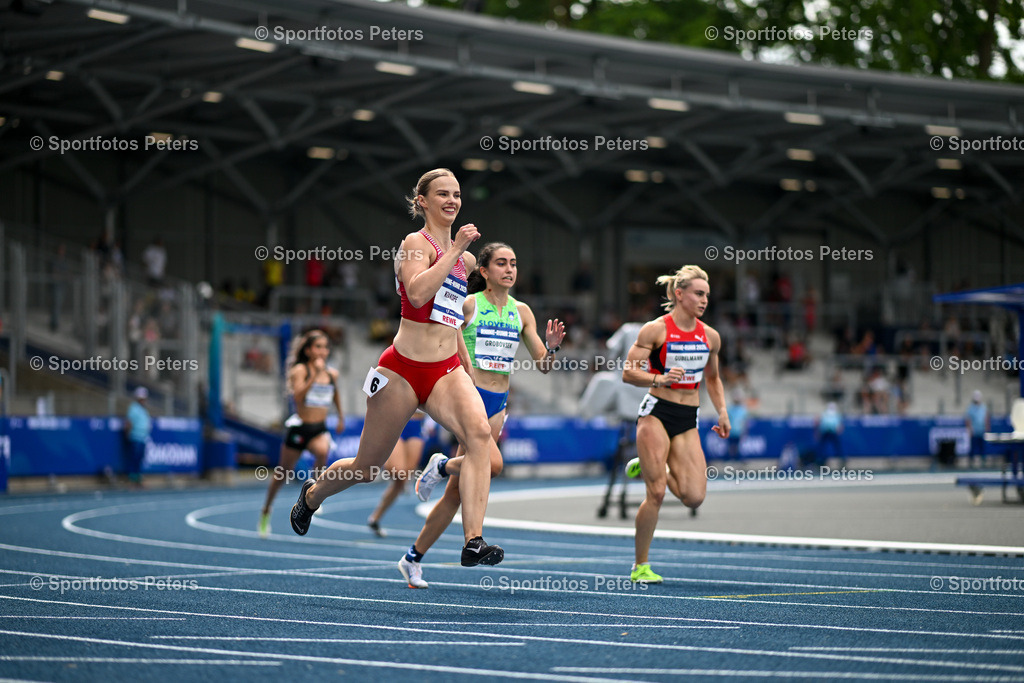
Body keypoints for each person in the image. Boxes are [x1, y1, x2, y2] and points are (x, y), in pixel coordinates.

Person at [289, 168, 504, 569]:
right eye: (442, 193)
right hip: (402, 370)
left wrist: (467, 366)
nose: (452, 201)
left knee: (478, 436)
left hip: (444, 370)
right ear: (422, 201)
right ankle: (313, 495)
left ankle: (473, 540)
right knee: (367, 467)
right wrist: (455, 252)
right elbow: (419, 293)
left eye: (457, 194)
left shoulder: (469, 258)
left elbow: (450, 315)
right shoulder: (414, 243)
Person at [398, 242, 565, 588]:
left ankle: (413, 557)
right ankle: (444, 471)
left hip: (498, 405)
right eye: (501, 263)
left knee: (455, 495)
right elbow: (444, 331)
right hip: (469, 396)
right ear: (484, 272)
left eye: (514, 263)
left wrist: (552, 347)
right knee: (494, 464)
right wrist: (464, 366)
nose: (509, 269)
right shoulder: (470, 304)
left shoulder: (522, 312)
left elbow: (543, 366)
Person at [622, 265, 729, 583]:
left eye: (707, 295)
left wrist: (722, 412)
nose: (704, 300)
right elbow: (628, 372)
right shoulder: (655, 330)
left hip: (687, 419)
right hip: (657, 413)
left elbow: (713, 378)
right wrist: (660, 377)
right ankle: (640, 566)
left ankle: (652, 464)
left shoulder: (710, 337)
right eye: (698, 293)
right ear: (679, 294)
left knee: (694, 497)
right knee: (655, 493)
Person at [259, 329, 343, 537]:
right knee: (282, 473)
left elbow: (335, 394)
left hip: (318, 428)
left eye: (325, 347)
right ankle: (266, 510)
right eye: (318, 347)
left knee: (323, 451)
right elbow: (297, 397)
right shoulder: (300, 370)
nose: (323, 351)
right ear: (307, 350)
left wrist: (340, 416)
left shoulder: (332, 373)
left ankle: (313, 494)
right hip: (300, 428)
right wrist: (314, 375)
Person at [365, 412, 427, 537]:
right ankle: (386, 462)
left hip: (416, 425)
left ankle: (375, 519)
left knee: (401, 480)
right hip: (395, 420)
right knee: (397, 470)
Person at [124, 387, 152, 487]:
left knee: (140, 458)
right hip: (135, 437)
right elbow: (129, 422)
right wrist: (128, 434)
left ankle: (138, 478)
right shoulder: (133, 408)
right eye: (141, 398)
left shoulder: (144, 410)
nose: (143, 400)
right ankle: (132, 479)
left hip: (143, 438)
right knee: (134, 458)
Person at [816, 401, 845, 469]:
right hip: (826, 432)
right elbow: (821, 423)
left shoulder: (835, 415)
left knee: (836, 447)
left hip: (832, 432)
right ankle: (821, 460)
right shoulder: (825, 414)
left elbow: (839, 425)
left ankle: (841, 459)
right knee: (823, 447)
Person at [965, 390, 989, 468]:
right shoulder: (971, 408)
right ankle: (971, 462)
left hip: (982, 429)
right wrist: (970, 429)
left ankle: (983, 462)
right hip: (974, 430)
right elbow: (968, 420)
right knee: (973, 447)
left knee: (983, 447)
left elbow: (986, 418)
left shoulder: (983, 407)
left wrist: (987, 428)